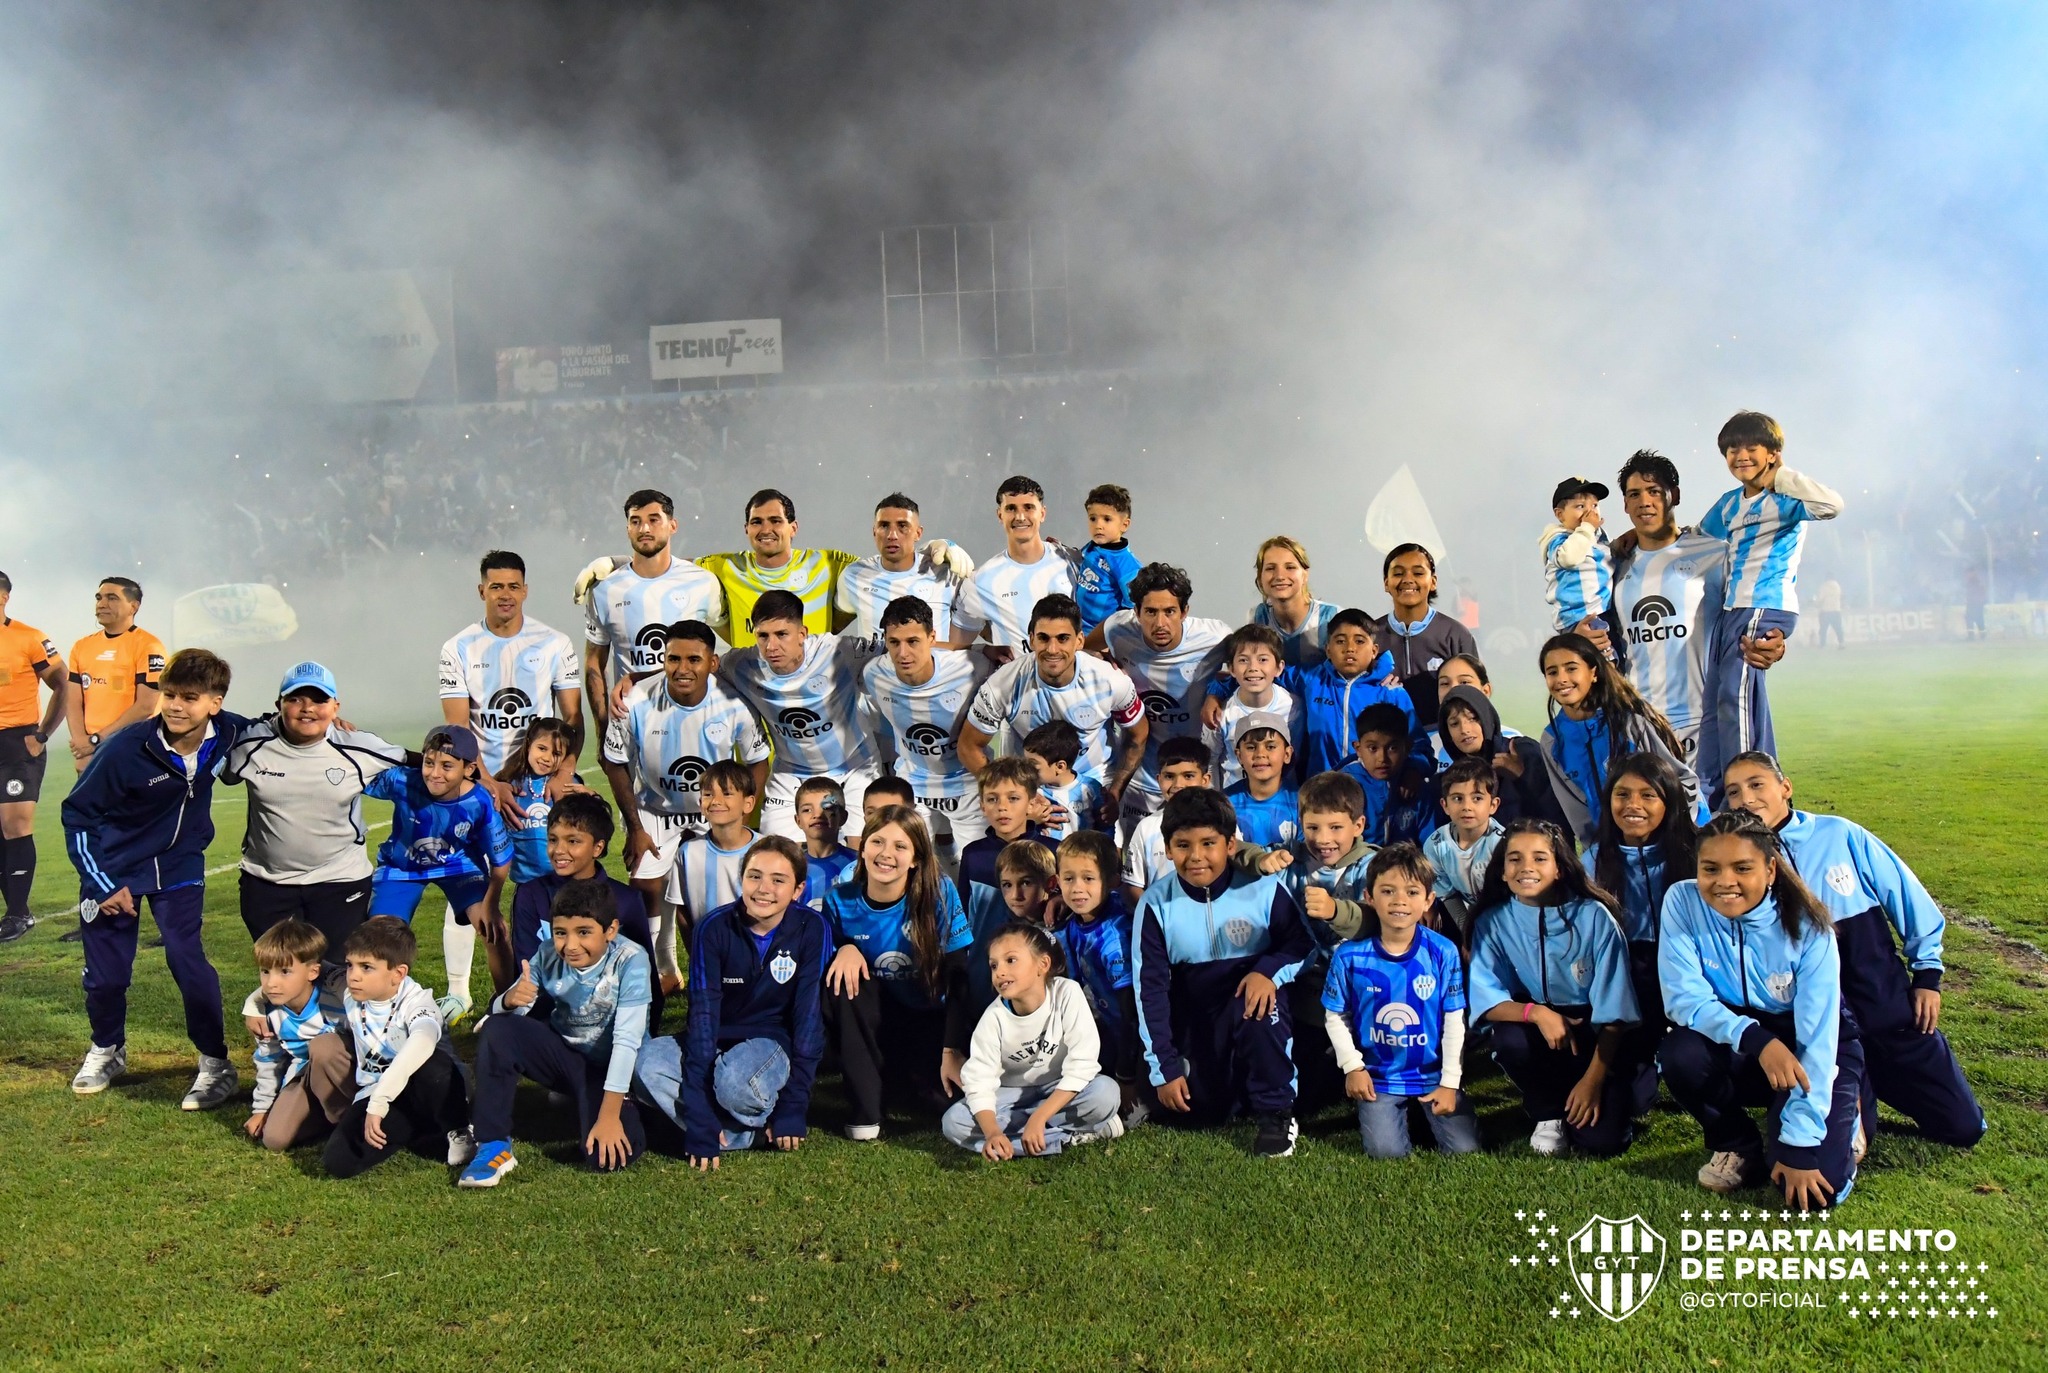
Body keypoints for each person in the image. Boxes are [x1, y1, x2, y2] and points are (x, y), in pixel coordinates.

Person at [1723, 752, 1985, 1149]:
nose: (1746, 798)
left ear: (1786, 788)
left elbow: (1907, 898)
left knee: (1964, 1127)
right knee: (1842, 1146)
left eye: (1757, 784)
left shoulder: (1840, 835)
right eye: (1734, 792)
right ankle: (1854, 1093)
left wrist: (1928, 974)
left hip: (1887, 1013)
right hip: (1821, 1036)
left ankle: (1881, 1081)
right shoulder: (1738, 863)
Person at [63, 648, 250, 1107]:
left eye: (190, 697)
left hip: (181, 867)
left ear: (215, 703)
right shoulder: (125, 748)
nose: (175, 706)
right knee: (107, 978)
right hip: (114, 869)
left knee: (189, 962)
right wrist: (104, 884)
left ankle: (215, 1064)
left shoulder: (229, 731)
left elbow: (280, 725)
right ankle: (107, 1049)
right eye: (169, 695)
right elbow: (77, 815)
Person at [1658, 812, 1862, 1207]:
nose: (1725, 882)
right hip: (1747, 1041)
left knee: (1817, 1193)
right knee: (1679, 1052)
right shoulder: (1682, 901)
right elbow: (1683, 997)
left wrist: (1800, 1143)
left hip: (1812, 1047)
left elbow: (1819, 1040)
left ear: (1770, 870)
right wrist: (1756, 1038)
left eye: (1742, 868)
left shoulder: (1810, 926)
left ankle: (1845, 1109)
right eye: (1710, 868)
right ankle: (1737, 1144)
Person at [439, 550, 583, 1016]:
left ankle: (567, 991)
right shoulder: (458, 648)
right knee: (474, 888)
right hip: (481, 788)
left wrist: (561, 777)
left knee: (553, 886)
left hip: (541, 790)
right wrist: (490, 784)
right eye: (495, 586)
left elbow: (574, 717)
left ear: (525, 590)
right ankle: (468, 994)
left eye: (513, 586)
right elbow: (460, 730)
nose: (505, 594)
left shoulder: (555, 642)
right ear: (482, 591)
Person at [1131, 787, 1312, 1157]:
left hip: (1254, 999)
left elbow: (1301, 945)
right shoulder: (1155, 903)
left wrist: (1268, 971)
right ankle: (1233, 1090)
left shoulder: (1263, 887)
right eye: (1183, 845)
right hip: (1197, 1013)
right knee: (1195, 1111)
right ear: (1167, 848)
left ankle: (1276, 1111)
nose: (1196, 857)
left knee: (1261, 1004)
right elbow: (1148, 990)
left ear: (1231, 845)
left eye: (1208, 843)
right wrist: (1164, 1068)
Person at [634, 836, 830, 1168]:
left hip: (770, 1043)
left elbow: (809, 1016)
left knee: (735, 1085)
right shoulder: (713, 927)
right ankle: (744, 1134)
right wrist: (698, 1113)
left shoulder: (812, 928)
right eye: (754, 876)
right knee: (644, 1066)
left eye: (778, 880)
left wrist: (793, 1105)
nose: (763, 888)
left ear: (798, 890)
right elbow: (702, 1016)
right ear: (742, 880)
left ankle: (751, 1110)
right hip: (715, 1037)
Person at [599, 617, 769, 984]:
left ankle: (708, 973)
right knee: (646, 887)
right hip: (655, 808)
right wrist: (634, 827)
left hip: (713, 811)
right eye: (673, 659)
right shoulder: (634, 699)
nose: (682, 669)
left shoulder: (735, 703)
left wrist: (741, 810)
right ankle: (661, 969)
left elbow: (757, 760)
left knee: (700, 897)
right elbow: (613, 763)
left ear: (712, 663)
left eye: (694, 660)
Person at [459, 879, 654, 1186]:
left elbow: (627, 1041)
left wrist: (609, 1115)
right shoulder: (548, 953)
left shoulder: (631, 960)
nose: (570, 945)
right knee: (499, 1029)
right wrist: (506, 1001)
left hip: (615, 1070)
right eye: (561, 932)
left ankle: (624, 1106)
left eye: (584, 932)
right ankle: (493, 1143)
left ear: (611, 930)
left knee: (607, 1159)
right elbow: (509, 1017)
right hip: (568, 1057)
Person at [220, 661, 406, 981]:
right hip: (268, 884)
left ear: (335, 707)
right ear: (279, 705)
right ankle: (288, 1033)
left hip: (340, 882)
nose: (307, 709)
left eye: (319, 700)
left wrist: (483, 781)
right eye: (296, 699)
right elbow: (220, 767)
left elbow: (425, 762)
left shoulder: (359, 747)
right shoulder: (250, 745)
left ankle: (336, 1033)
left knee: (336, 974)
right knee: (282, 976)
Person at [1467, 819, 1642, 1157]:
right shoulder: (1493, 920)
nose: (1526, 867)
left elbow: (1617, 1014)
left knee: (1602, 1143)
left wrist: (1592, 1082)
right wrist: (1537, 1013)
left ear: (1560, 868)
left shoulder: (1595, 917)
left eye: (1539, 858)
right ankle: (1548, 1113)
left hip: (1597, 1034)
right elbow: (1485, 998)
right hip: (1540, 1030)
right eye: (1514, 858)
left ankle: (1619, 1090)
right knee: (1508, 1037)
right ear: (1502, 871)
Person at [1695, 411, 1844, 803]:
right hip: (1731, 610)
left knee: (1735, 696)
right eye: (1732, 449)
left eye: (1751, 448)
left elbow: (1831, 505)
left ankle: (1747, 798)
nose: (1740, 456)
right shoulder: (1729, 504)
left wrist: (1780, 476)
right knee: (1717, 702)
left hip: (1764, 605)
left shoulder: (1785, 500)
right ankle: (1719, 797)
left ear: (1773, 453)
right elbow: (1694, 542)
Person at [820, 807, 974, 1140]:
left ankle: (899, 1076)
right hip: (871, 1021)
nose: (886, 854)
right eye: (877, 842)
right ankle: (866, 1112)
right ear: (863, 849)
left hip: (927, 1018)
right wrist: (843, 949)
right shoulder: (839, 899)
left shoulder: (939, 893)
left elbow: (958, 974)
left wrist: (951, 1050)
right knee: (844, 982)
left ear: (916, 858)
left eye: (900, 846)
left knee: (939, 1103)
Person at [1606, 451, 1757, 783]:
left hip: (1702, 717)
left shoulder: (1714, 553)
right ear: (1625, 506)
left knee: (1710, 821)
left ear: (1674, 495)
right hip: (1641, 720)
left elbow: (1750, 610)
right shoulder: (1614, 565)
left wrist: (1772, 640)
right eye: (1634, 494)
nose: (1645, 501)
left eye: (1654, 491)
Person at [1322, 844, 1480, 1159]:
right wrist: (1353, 1067)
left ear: (1428, 900)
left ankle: (1427, 1113)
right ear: (1369, 897)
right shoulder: (1350, 956)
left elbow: (1453, 1020)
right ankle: (1399, 1117)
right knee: (1386, 1155)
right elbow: (1335, 1015)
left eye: (1411, 892)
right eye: (1388, 891)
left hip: (1432, 1075)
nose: (1399, 901)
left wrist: (1450, 1081)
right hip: (1378, 1078)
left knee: (1466, 1151)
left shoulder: (1443, 951)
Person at [361, 725, 515, 1017]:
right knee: (379, 938)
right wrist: (344, 732)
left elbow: (500, 861)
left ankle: (507, 1008)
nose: (434, 773)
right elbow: (358, 770)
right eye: (429, 763)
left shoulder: (480, 802)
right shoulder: (403, 781)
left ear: (469, 769)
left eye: (446, 766)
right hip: (402, 866)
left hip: (459, 866)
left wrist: (491, 904)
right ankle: (382, 1017)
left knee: (494, 930)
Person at [959, 594, 1147, 822]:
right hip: (1032, 792)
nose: (1053, 649)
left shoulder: (1110, 680)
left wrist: (1115, 790)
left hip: (1096, 787)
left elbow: (1138, 734)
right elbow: (969, 746)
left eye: (1062, 638)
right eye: (1044, 638)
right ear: (1031, 640)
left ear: (1079, 641)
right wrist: (1010, 793)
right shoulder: (1003, 683)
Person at [944, 922, 1124, 1157]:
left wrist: (1040, 1117)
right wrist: (992, 1134)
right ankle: (1067, 1137)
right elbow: (979, 1084)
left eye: (1011, 960)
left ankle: (1029, 1135)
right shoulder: (993, 1018)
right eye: (993, 965)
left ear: (1043, 964)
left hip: (1059, 1090)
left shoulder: (1067, 993)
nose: (999, 972)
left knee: (1106, 1092)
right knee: (953, 1122)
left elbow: (1083, 1064)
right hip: (1010, 1098)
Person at [717, 590, 881, 843]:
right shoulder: (741, 665)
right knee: (774, 854)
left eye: (782, 634)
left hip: (854, 765)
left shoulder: (840, 651)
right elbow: (693, 668)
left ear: (802, 634)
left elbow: (905, 648)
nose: (771, 646)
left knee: (860, 853)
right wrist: (636, 680)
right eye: (763, 636)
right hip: (791, 773)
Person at [323, 917, 474, 1179]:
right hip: (383, 1094)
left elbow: (421, 1043)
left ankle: (459, 1126)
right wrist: (256, 1005)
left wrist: (379, 1104)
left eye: (366, 967)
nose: (354, 975)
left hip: (428, 1087)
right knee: (339, 1162)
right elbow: (307, 966)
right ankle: (424, 1130)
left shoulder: (419, 1004)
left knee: (429, 1063)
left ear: (398, 973)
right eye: (350, 965)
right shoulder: (349, 990)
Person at [1091, 563, 1233, 829]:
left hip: (1196, 774)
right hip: (1143, 777)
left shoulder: (1215, 638)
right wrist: (1100, 660)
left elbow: (1249, 670)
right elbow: (1082, 649)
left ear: (1184, 612)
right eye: (1151, 612)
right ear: (1136, 612)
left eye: (1169, 612)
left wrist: (1216, 692)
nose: (1160, 623)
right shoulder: (1117, 629)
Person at [861, 597, 997, 854]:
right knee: (904, 862)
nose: (903, 653)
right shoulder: (874, 674)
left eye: (913, 641)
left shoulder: (972, 667)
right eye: (894, 643)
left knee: (976, 863)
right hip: (913, 784)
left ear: (932, 638)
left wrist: (983, 649)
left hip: (966, 783)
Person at [1586, 754, 1698, 1061]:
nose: (1633, 805)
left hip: (1691, 968)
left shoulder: (1697, 854)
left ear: (1670, 801)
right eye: (1622, 795)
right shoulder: (1593, 861)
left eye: (1648, 795)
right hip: (1629, 975)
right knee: (1630, 1098)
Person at [581, 489, 726, 724]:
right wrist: (602, 729)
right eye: (635, 521)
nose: (644, 529)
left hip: (695, 720)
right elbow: (594, 663)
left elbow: (726, 644)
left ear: (673, 525)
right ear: (627, 528)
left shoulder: (702, 581)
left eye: (653, 520)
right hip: (632, 723)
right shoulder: (604, 589)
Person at [1537, 633, 1697, 844]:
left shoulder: (1629, 724)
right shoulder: (1552, 741)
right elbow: (1577, 813)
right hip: (1611, 853)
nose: (1562, 679)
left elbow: (1679, 780)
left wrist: (1689, 835)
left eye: (1571, 668)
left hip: (1667, 841)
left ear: (1593, 673)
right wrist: (1598, 855)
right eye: (1552, 672)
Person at [507, 793, 658, 1016]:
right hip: (547, 1020)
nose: (558, 850)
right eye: (553, 839)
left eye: (573, 841)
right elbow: (525, 970)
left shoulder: (625, 900)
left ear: (597, 848)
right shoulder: (530, 894)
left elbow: (646, 977)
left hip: (609, 1024)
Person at [695, 488, 863, 645]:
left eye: (775, 521)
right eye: (756, 522)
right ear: (746, 529)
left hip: (812, 675)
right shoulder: (725, 566)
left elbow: (878, 570)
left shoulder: (829, 564)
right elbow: (676, 568)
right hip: (750, 676)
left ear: (793, 528)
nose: (766, 529)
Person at [241, 919, 353, 1152]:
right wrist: (262, 1109)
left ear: (313, 971)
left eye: (285, 972)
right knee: (274, 1139)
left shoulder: (338, 1000)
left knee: (323, 1047)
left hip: (348, 1076)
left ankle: (354, 1120)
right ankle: (328, 1115)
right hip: (305, 1076)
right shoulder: (266, 1012)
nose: (271, 983)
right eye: (265, 971)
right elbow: (268, 1061)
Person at [1052, 830, 1143, 1119]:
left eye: (1088, 879)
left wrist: (1126, 1077)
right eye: (1069, 879)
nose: (1077, 888)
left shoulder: (1115, 938)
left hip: (1134, 1041)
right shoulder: (1071, 919)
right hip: (1102, 1032)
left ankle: (1144, 1088)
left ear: (1112, 881)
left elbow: (1132, 1014)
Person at [0, 572, 67, 944]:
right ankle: (16, 913)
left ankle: (17, 913)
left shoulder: (29, 637)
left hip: (17, 744)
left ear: (5, 598)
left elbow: (62, 683)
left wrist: (41, 736)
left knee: (15, 823)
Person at [953, 475, 1077, 652]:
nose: (1020, 517)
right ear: (1000, 515)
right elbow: (956, 652)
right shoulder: (980, 581)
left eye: (1028, 508)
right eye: (1011, 508)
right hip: (1017, 679)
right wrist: (984, 650)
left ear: (1042, 513)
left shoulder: (1072, 561)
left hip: (1074, 677)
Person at [62, 576, 165, 775]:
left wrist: (96, 741)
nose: (102, 604)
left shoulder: (149, 646)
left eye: (112, 598)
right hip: (92, 751)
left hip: (134, 748)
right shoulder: (82, 646)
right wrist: (82, 748)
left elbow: (145, 706)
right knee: (91, 807)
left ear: (133, 606)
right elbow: (72, 701)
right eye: (99, 597)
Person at [836, 493, 971, 641]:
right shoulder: (853, 576)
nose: (892, 535)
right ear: (874, 532)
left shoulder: (945, 574)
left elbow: (980, 626)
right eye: (884, 525)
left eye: (902, 526)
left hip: (937, 664)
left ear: (918, 533)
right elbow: (834, 624)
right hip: (875, 664)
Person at [1374, 543, 1479, 727]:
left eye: (1418, 573)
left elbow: (1474, 697)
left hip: (1444, 744)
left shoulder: (1455, 635)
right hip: (1387, 745)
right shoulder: (1369, 637)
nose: (1408, 579)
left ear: (1433, 582)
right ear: (1386, 583)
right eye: (1398, 573)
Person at [1433, 683, 1563, 828]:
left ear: (1487, 718)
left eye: (1473, 719)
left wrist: (1522, 777)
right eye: (1454, 724)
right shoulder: (1456, 776)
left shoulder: (1523, 751)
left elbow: (1559, 812)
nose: (1464, 729)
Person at [1119, 737, 1218, 912]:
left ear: (1205, 780)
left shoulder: (1221, 822)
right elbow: (1132, 886)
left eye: (1188, 776)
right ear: (1158, 779)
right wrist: (1157, 917)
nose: (1178, 785)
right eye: (1169, 776)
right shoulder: (1146, 828)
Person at [670, 760, 761, 943]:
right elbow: (682, 910)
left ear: (748, 803)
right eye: (708, 794)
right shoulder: (687, 853)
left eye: (727, 793)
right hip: (709, 955)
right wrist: (695, 952)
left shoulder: (768, 849)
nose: (716, 801)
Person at [495, 716, 581, 893]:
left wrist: (592, 796)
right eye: (542, 748)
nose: (547, 758)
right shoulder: (509, 786)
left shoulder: (570, 785)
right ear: (528, 744)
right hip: (527, 886)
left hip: (567, 885)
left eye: (556, 754)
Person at [1210, 625, 1301, 789]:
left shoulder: (1293, 707)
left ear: (1279, 668)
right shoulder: (1219, 713)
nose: (1253, 668)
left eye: (1263, 660)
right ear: (1231, 668)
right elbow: (1210, 761)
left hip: (1281, 801)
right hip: (1233, 801)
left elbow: (1296, 755)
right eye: (1243, 660)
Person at [1422, 757, 1503, 938]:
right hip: (1473, 918)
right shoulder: (1436, 845)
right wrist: (1470, 936)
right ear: (1445, 805)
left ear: (1493, 805)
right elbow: (1449, 897)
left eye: (1477, 798)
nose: (1467, 807)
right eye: (1458, 798)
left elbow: (1514, 902)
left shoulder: (1503, 846)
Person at [1342, 703, 1435, 846]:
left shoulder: (1418, 786)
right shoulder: (1343, 786)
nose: (1382, 758)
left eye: (1393, 748)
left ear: (1407, 747)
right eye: (1373, 748)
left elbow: (1432, 846)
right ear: (1358, 749)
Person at [1542, 477, 1615, 658]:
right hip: (1581, 616)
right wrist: (1587, 527)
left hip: (1603, 611)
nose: (1589, 512)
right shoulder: (1558, 539)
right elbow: (1569, 558)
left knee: (1614, 667)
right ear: (1560, 514)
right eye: (1580, 506)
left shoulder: (1596, 538)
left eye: (1595, 506)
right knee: (1605, 667)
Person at [1248, 535, 1339, 670]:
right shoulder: (1257, 617)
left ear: (1305, 574)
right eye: (1270, 568)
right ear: (1260, 577)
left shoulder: (1332, 617)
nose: (1279, 576)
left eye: (1290, 567)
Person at [1222, 713, 1300, 848]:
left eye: (1270, 747)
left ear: (1287, 754)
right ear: (1239, 756)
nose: (1260, 754)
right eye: (1251, 747)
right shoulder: (1223, 804)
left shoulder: (1303, 802)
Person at [1073, 483, 1142, 635]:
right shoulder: (1092, 547)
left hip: (1102, 637)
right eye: (1093, 518)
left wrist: (1114, 637)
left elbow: (1135, 608)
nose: (1098, 525)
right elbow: (1078, 559)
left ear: (1124, 525)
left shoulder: (1127, 565)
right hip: (1078, 629)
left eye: (1107, 519)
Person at [1021, 720, 1103, 844]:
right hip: (1042, 860)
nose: (1026, 770)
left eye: (1033, 765)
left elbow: (1106, 826)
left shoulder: (1091, 789)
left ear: (1060, 767)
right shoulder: (1029, 792)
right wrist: (1031, 821)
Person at [795, 777, 858, 903]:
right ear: (798, 820)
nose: (817, 815)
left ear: (843, 817)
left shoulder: (857, 864)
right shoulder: (792, 866)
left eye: (827, 808)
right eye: (807, 810)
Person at [1814, 576, 1846, 648]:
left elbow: (1821, 598)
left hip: (1826, 610)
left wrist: (1816, 604)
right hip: (1836, 610)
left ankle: (1822, 644)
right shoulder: (1837, 586)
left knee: (1823, 629)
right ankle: (1841, 643)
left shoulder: (1825, 586)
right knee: (1838, 628)